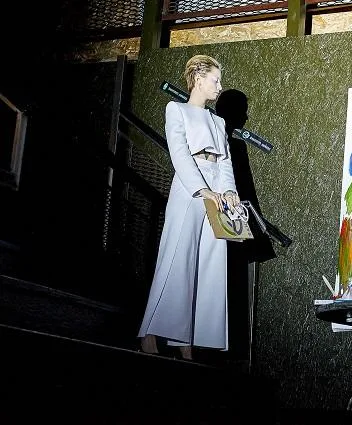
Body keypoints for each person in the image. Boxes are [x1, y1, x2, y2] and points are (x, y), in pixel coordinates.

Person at [138, 54, 240, 361]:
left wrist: (229, 192)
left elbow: (224, 162)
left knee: (208, 265)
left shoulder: (218, 122)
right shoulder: (176, 109)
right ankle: (149, 333)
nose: (219, 86)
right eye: (215, 80)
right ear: (198, 79)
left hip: (216, 193)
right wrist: (201, 189)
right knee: (176, 260)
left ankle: (187, 340)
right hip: (190, 189)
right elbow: (179, 154)